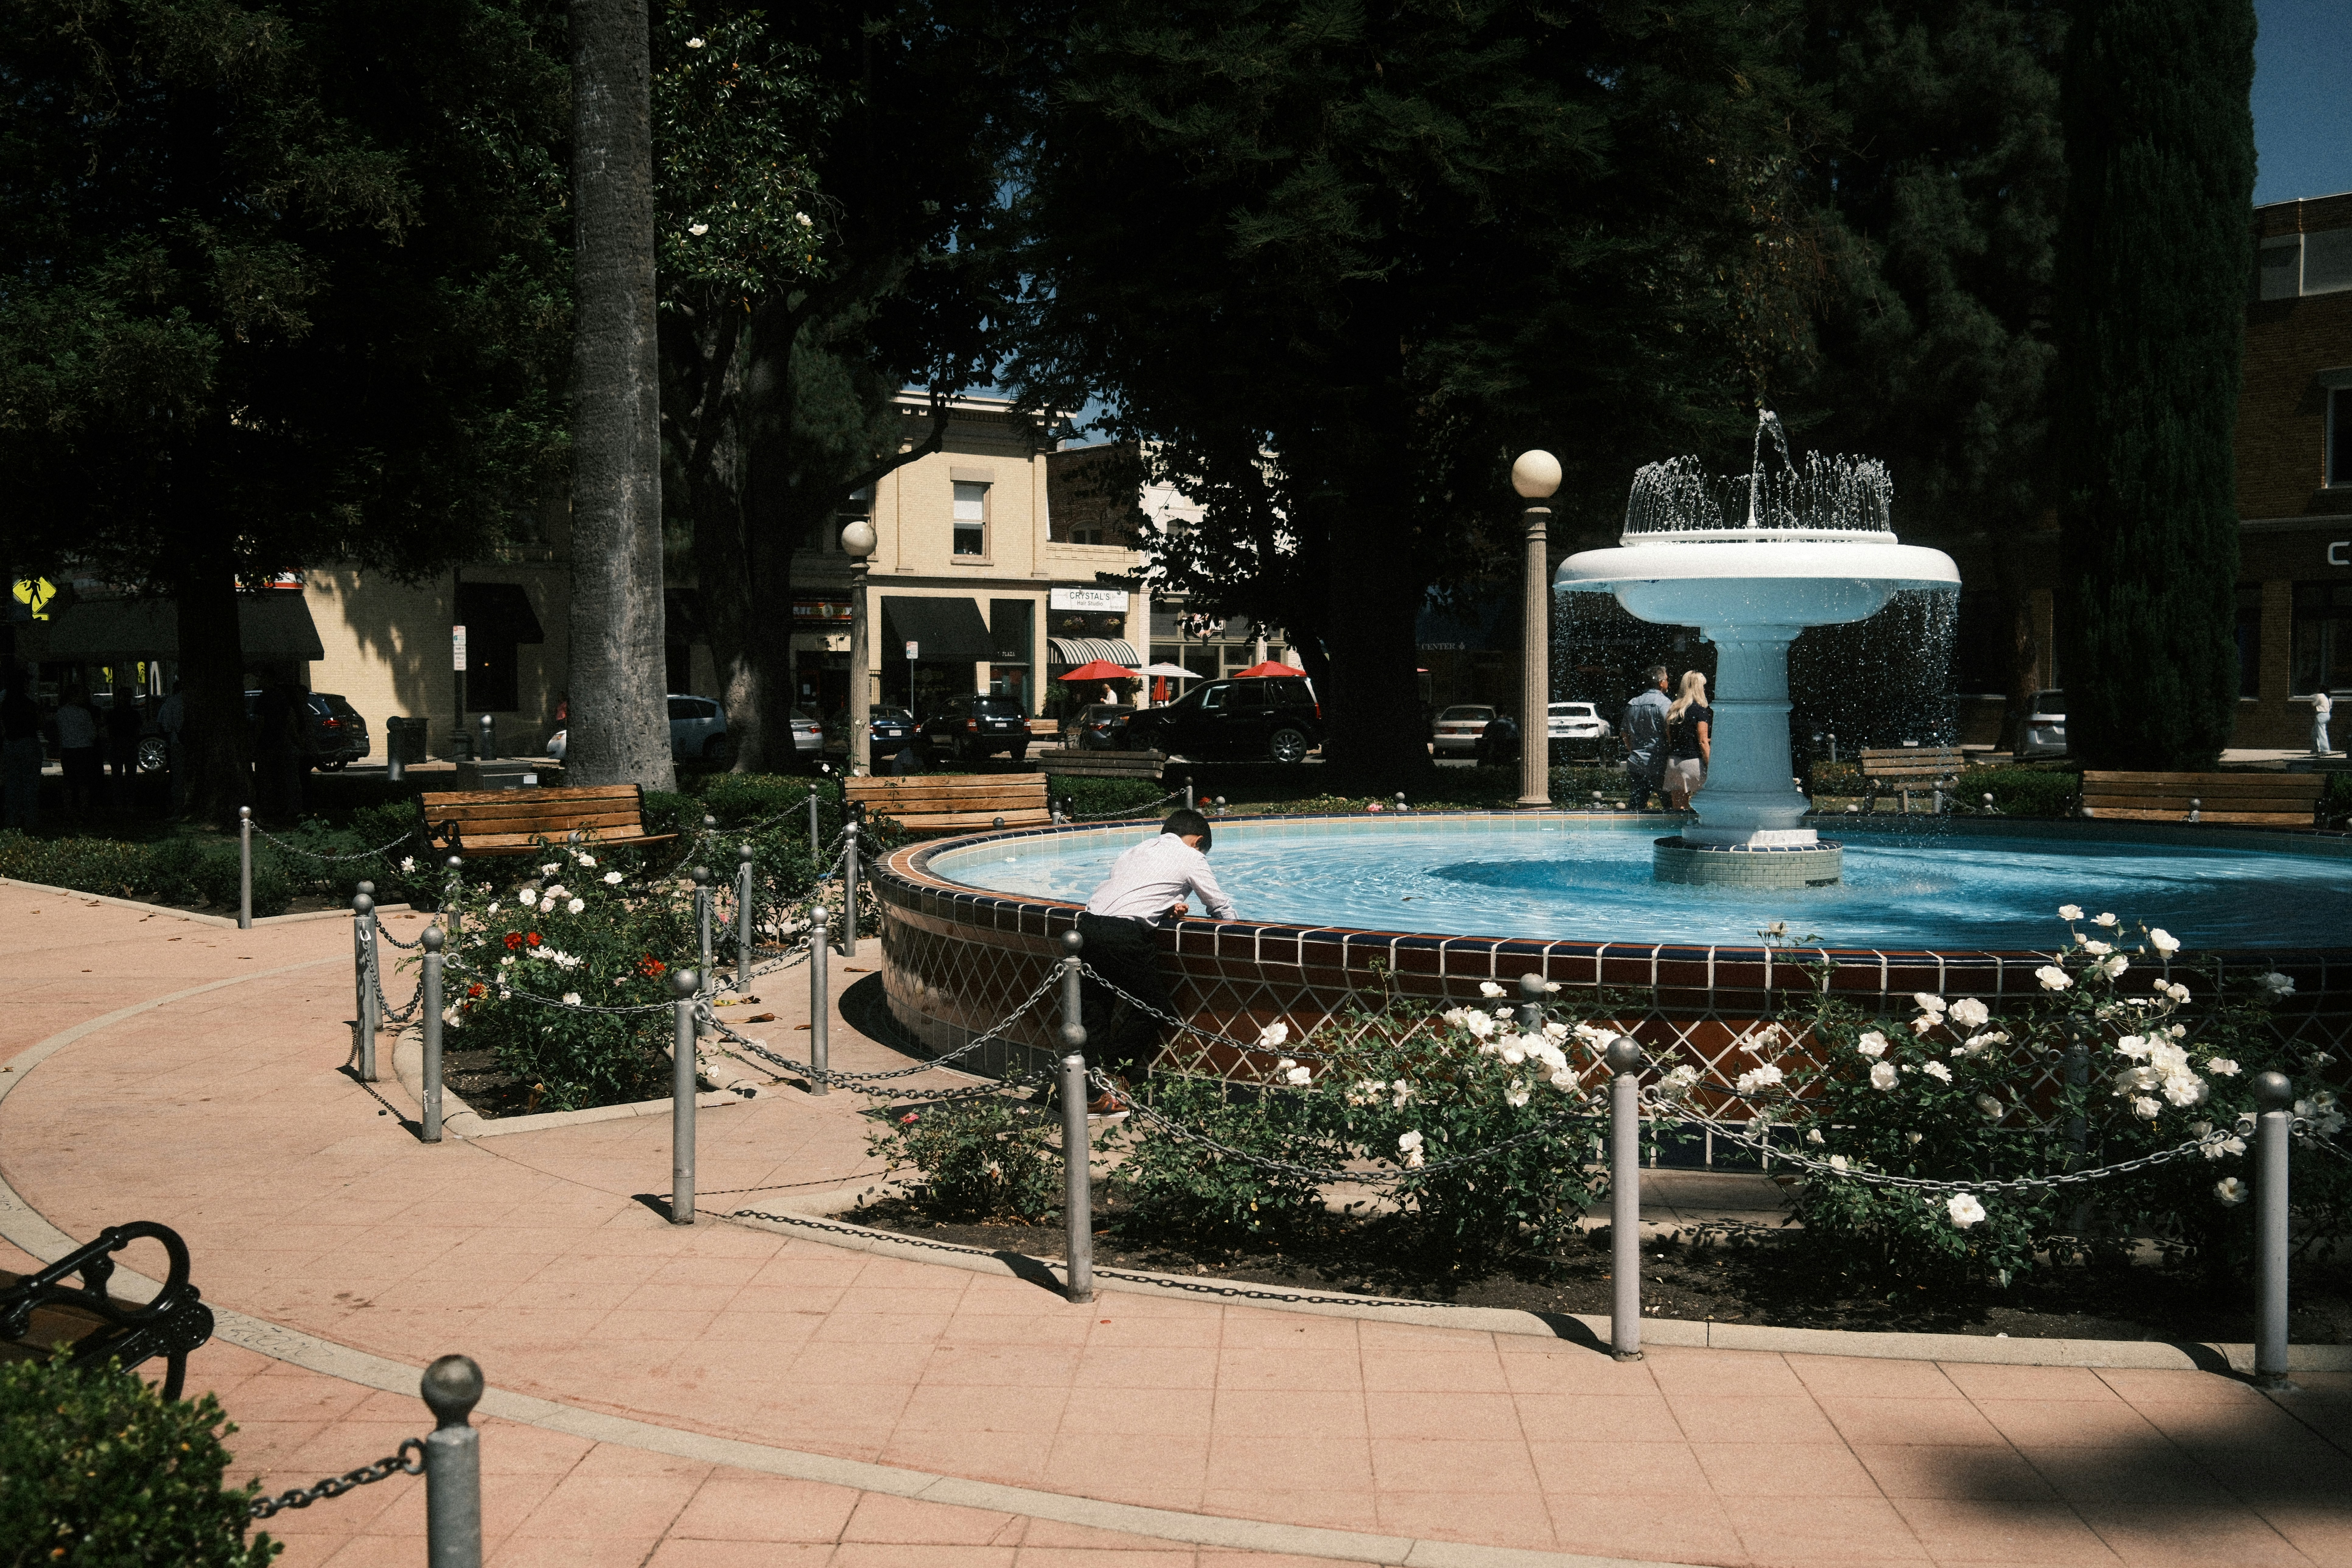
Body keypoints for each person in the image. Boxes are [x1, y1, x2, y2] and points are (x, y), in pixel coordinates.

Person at [1072, 807, 1235, 1111]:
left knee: (1096, 1009)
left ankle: (1090, 1094)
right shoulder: (1192, 857)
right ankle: (1113, 1072)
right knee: (1154, 1006)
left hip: (1089, 926)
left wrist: (1166, 908)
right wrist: (1240, 936)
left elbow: (1134, 891)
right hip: (1125, 935)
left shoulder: (1136, 850)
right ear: (1197, 841)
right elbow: (1220, 907)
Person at [1621, 665, 1671, 810]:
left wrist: (1633, 750)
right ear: (1661, 683)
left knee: (1636, 807)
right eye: (1667, 680)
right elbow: (1669, 731)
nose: (1668, 683)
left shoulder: (1633, 703)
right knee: (1669, 807)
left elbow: (1624, 733)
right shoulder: (1665, 703)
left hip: (1636, 762)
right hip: (1659, 762)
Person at [1663, 670, 1712, 810]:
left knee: (1679, 808)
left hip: (1674, 763)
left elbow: (1671, 738)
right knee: (1706, 807)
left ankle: (1680, 831)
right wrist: (1712, 767)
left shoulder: (1674, 710)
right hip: (1693, 763)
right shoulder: (1700, 711)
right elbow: (1703, 742)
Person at [1, 667, 41, 830]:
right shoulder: (30, 704)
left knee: (12, 783)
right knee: (30, 784)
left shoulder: (5, 703)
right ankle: (31, 820)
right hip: (29, 743)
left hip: (11, 743)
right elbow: (38, 723)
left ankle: (12, 819)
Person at [54, 684, 100, 825]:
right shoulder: (84, 713)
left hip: (68, 750)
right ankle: (84, 811)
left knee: (69, 782)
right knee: (84, 783)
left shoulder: (61, 713)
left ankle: (68, 811)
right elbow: (92, 734)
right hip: (84, 750)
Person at [104, 683, 143, 814]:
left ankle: (122, 803)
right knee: (125, 777)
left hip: (123, 746)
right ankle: (124, 803)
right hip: (123, 746)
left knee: (122, 776)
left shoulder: (114, 714)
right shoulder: (132, 715)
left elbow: (109, 731)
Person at [156, 680, 187, 814]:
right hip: (181, 742)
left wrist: (169, 739)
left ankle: (178, 808)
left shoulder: (171, 703)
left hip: (176, 743)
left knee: (177, 777)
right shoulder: (186, 702)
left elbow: (164, 725)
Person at [2315, 690, 2335, 757]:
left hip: (2321, 714)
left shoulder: (2320, 696)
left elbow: (2314, 704)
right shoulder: (2329, 698)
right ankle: (2315, 748)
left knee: (2322, 733)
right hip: (2328, 714)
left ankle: (2325, 750)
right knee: (2315, 732)